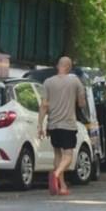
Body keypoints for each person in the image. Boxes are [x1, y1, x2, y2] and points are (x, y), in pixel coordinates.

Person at [38, 56, 87, 196]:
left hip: (53, 125)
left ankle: (62, 186)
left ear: (57, 66)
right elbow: (82, 103)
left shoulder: (47, 82)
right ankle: (56, 173)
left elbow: (44, 105)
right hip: (68, 125)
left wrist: (40, 125)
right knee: (68, 155)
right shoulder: (75, 81)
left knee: (57, 154)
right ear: (69, 67)